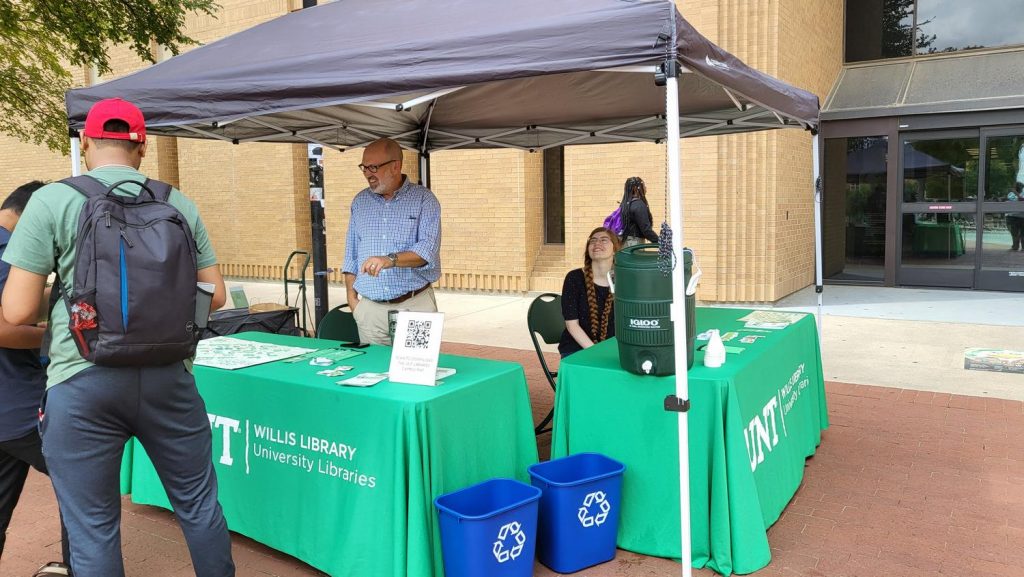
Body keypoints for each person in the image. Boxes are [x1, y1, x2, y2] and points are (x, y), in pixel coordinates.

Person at [1, 98, 235, 577]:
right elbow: (215, 297)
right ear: (142, 147)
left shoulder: (52, 200)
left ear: (85, 142)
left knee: (94, 525)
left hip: (83, 379)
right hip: (170, 378)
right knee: (198, 506)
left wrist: (77, 301)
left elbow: (17, 309)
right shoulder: (177, 202)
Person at [0, 181, 72, 576]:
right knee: (83, 480)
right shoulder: (6, 253)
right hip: (20, 407)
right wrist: (60, 335)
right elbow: (5, 327)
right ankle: (78, 567)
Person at [342, 137, 442, 345]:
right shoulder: (360, 201)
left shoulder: (424, 199)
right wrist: (353, 301)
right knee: (373, 374)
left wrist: (389, 259)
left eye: (373, 167)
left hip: (415, 306)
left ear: (396, 166)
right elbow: (350, 255)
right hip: (370, 312)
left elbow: (426, 251)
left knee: (415, 375)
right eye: (364, 167)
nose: (368, 173)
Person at [559, 227, 621, 357]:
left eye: (604, 240)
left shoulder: (625, 280)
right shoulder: (574, 278)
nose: (597, 243)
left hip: (613, 349)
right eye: (593, 241)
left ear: (615, 249)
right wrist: (596, 352)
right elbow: (572, 325)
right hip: (576, 348)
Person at [619, 176, 658, 246]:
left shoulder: (625, 205)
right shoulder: (638, 205)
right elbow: (646, 230)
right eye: (643, 186)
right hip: (634, 243)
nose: (645, 188)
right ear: (635, 189)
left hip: (624, 242)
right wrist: (660, 242)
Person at [1007, 182, 1024, 251]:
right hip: (1012, 216)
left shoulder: (1022, 193)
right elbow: (1010, 200)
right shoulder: (1011, 194)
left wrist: (1016, 193)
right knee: (1014, 233)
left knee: (1023, 233)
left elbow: (1022, 200)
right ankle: (1015, 246)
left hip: (1022, 216)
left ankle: (1023, 247)